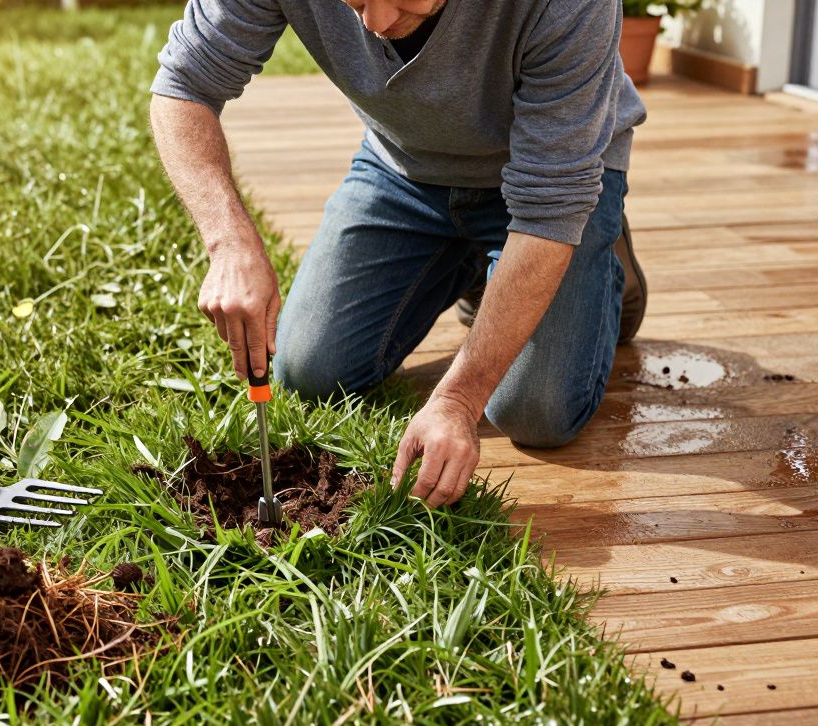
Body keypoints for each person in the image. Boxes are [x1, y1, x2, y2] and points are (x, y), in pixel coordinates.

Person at [149, 0, 648, 509]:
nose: (376, 25)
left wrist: (457, 400)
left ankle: (601, 256)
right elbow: (184, 85)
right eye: (355, 0)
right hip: (404, 169)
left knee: (534, 413)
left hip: (554, 184)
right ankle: (483, 264)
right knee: (309, 374)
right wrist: (229, 242)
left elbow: (550, 209)